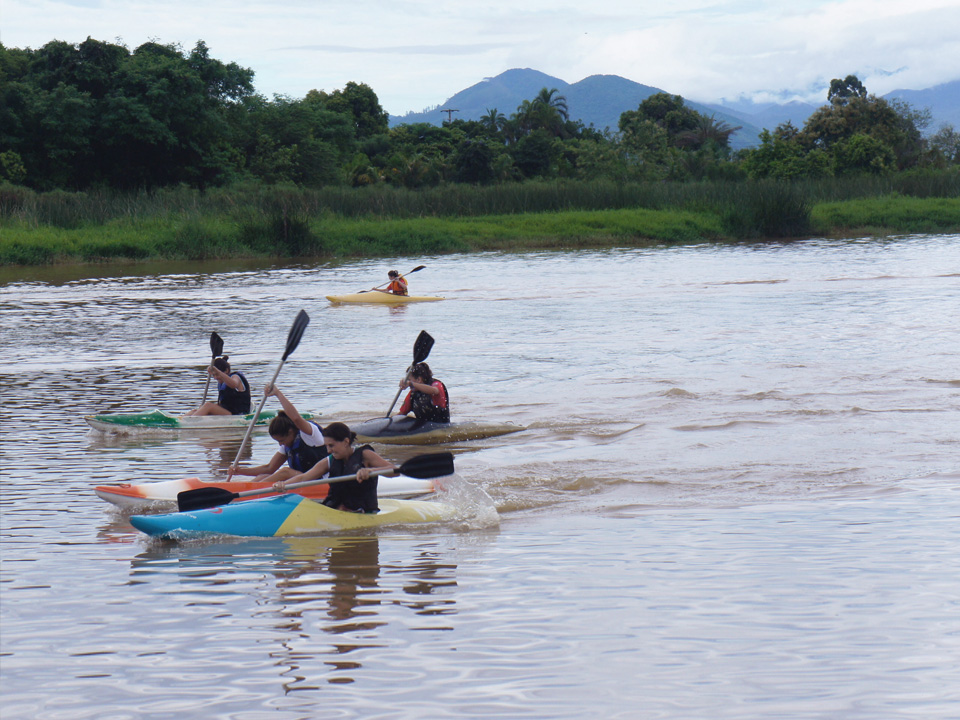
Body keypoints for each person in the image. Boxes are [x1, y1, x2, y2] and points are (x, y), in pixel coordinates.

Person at [273, 422, 396, 514]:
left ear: (346, 442)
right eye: (326, 446)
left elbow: (394, 471)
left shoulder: (365, 455)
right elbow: (304, 478)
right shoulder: (329, 460)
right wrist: (284, 485)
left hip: (363, 512)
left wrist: (371, 471)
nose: (328, 450)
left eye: (331, 445)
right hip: (336, 511)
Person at [230, 384, 326, 483]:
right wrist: (239, 471)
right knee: (263, 476)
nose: (280, 444)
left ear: (290, 431)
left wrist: (277, 393)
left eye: (281, 440)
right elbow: (269, 468)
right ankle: (244, 491)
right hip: (302, 480)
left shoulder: (310, 434)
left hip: (320, 481)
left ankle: (251, 492)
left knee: (285, 472)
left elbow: (296, 418)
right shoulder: (287, 444)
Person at [184, 356, 251, 416]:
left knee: (208, 405)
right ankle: (182, 419)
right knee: (198, 409)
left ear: (226, 371)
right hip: (228, 412)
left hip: (238, 414)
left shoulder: (235, 377)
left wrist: (218, 372)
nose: (216, 377)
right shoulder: (221, 382)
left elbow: (233, 385)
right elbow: (224, 404)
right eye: (213, 375)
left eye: (217, 374)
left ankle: (190, 422)